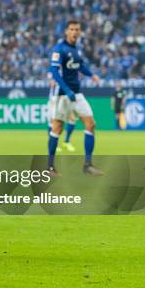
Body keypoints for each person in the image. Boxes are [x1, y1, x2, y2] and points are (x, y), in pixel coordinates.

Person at [47, 20, 103, 176]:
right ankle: (50, 167)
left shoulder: (76, 50)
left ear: (80, 32)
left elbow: (80, 66)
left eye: (77, 29)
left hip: (77, 93)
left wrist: (92, 75)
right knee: (57, 128)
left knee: (91, 124)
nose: (74, 32)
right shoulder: (59, 49)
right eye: (71, 29)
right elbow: (54, 71)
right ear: (66, 31)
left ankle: (88, 165)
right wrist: (65, 89)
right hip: (63, 94)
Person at [46, 77, 77, 153]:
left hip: (66, 98)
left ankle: (66, 141)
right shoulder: (54, 70)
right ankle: (52, 146)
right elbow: (52, 83)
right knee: (53, 122)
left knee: (72, 119)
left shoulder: (67, 71)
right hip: (54, 99)